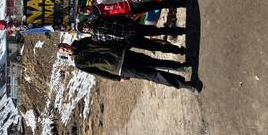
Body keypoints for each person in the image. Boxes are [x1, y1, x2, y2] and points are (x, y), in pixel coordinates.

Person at [58, 38, 202, 93]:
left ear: (66, 43)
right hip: (120, 68)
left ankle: (182, 67)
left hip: (123, 54)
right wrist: (117, 78)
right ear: (65, 53)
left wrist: (122, 45)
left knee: (154, 62)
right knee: (152, 75)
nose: (66, 48)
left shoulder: (83, 41)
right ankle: (185, 85)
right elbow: (98, 72)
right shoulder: (79, 63)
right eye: (63, 50)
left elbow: (104, 41)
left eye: (64, 46)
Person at [78, 16, 186, 55]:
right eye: (83, 29)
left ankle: (181, 30)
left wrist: (129, 21)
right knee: (156, 47)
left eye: (83, 24)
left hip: (132, 28)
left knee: (158, 31)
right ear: (85, 31)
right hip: (129, 40)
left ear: (86, 22)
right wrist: (126, 46)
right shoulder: (95, 38)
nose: (85, 27)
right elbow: (111, 44)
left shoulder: (99, 18)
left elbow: (116, 18)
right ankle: (180, 51)